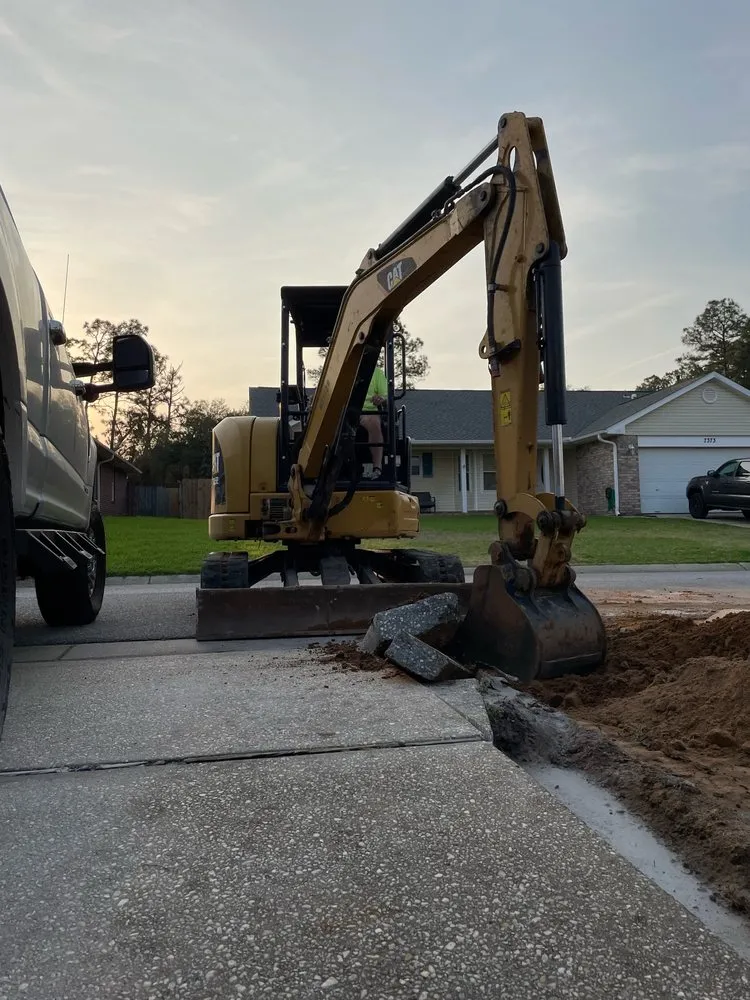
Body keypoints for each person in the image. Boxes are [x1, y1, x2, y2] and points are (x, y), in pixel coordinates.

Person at [360, 363, 387, 478]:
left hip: (367, 410)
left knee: (374, 422)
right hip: (342, 410)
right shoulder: (340, 370)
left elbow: (385, 395)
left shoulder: (376, 373)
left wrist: (380, 399)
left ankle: (377, 468)